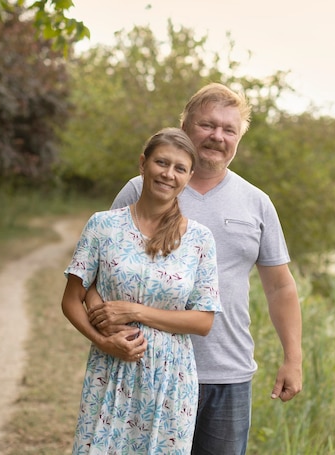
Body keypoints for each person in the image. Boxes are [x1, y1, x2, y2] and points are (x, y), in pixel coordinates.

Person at [88, 83, 303, 454]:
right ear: (185, 125)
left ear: (238, 139)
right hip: (146, 366)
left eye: (229, 129)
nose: (217, 136)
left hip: (227, 373)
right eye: (207, 125)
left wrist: (293, 358)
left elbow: (280, 287)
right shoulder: (143, 189)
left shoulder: (257, 203)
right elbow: (94, 277)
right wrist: (107, 334)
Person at [61, 127, 222, 454]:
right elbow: (71, 300)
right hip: (110, 370)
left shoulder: (199, 239)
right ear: (143, 164)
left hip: (171, 381)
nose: (168, 174)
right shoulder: (102, 225)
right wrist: (105, 342)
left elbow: (203, 322)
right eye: (161, 162)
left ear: (189, 177)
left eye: (179, 168)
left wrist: (134, 312)